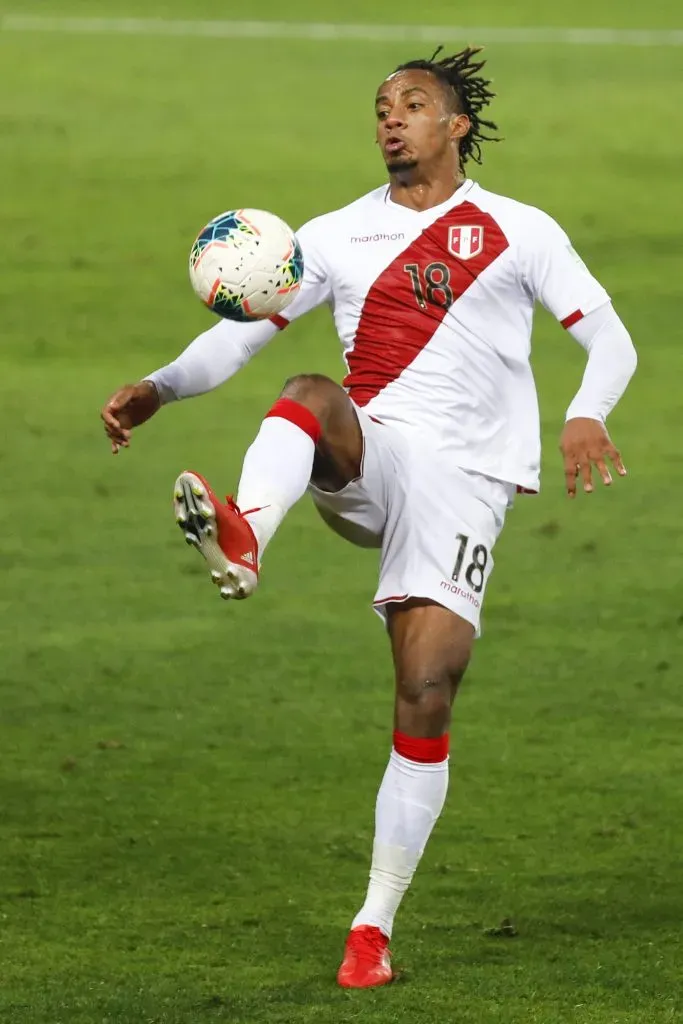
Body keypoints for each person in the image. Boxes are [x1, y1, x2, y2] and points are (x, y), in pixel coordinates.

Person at [101, 47, 637, 989]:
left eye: (414, 104)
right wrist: (160, 386)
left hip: (465, 485)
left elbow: (609, 338)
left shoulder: (517, 230)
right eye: (382, 106)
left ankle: (371, 931)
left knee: (425, 692)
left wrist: (586, 410)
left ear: (456, 125)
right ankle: (245, 538)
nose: (391, 118)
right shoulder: (334, 234)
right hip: (375, 454)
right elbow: (241, 333)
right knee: (309, 388)